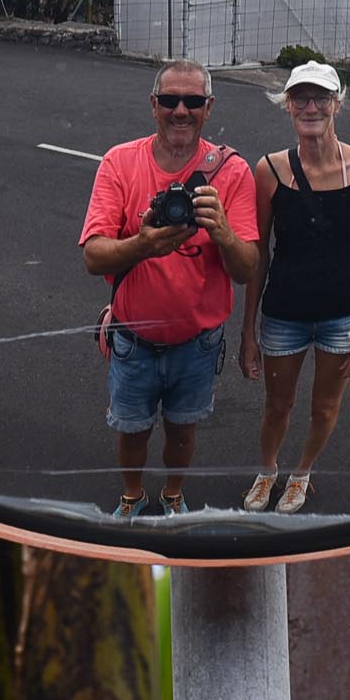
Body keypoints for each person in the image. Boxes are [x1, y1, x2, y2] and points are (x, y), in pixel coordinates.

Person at [79, 59, 261, 517]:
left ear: (209, 107)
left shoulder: (232, 172)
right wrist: (142, 244)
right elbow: (93, 255)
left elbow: (246, 268)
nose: (181, 111)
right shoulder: (120, 162)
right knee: (132, 431)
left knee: (184, 431)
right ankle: (132, 497)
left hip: (197, 345)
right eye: (170, 100)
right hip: (134, 339)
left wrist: (222, 231)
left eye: (193, 101)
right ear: (153, 105)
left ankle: (174, 495)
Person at [237, 60, 350, 512]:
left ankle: (301, 473)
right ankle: (268, 471)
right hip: (284, 312)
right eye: (300, 98)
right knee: (277, 407)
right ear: (286, 105)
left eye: (320, 97)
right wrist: (248, 331)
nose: (310, 107)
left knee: (324, 408)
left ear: (337, 104)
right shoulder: (268, 170)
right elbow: (258, 254)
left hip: (343, 315)